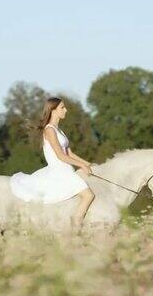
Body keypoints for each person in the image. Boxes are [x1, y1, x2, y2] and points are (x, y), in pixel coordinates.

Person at [9, 97, 95, 229]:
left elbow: (69, 153)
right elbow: (60, 155)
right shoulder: (50, 130)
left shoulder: (59, 130)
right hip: (59, 170)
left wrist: (87, 163)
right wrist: (82, 166)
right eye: (62, 107)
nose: (65, 110)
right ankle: (75, 228)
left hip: (66, 168)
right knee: (88, 195)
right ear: (53, 110)